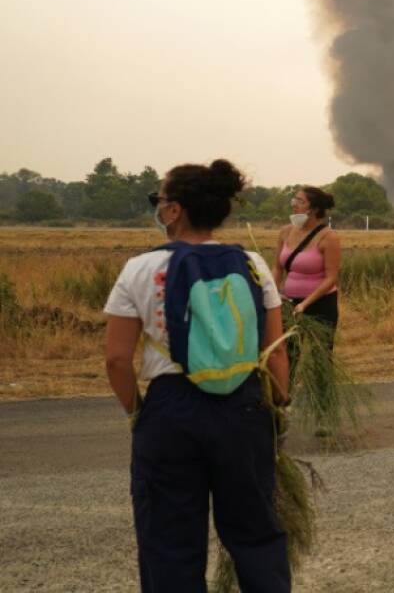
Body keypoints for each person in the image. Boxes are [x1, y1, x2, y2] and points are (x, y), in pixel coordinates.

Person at [103, 159, 290, 592]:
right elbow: (276, 354)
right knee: (257, 535)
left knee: (169, 543)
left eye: (160, 200)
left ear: (174, 211)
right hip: (244, 408)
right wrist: (278, 406)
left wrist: (138, 413)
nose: (158, 208)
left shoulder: (139, 269)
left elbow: (116, 361)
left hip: (170, 412)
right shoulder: (252, 265)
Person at [272, 186, 341, 378]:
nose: (294, 204)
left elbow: (331, 277)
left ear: (314, 209)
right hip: (289, 304)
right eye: (294, 200)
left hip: (320, 304)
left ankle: (323, 401)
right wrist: (273, 292)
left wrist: (305, 303)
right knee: (288, 355)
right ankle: (285, 399)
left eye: (300, 201)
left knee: (321, 357)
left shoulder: (329, 237)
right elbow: (277, 267)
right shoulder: (285, 232)